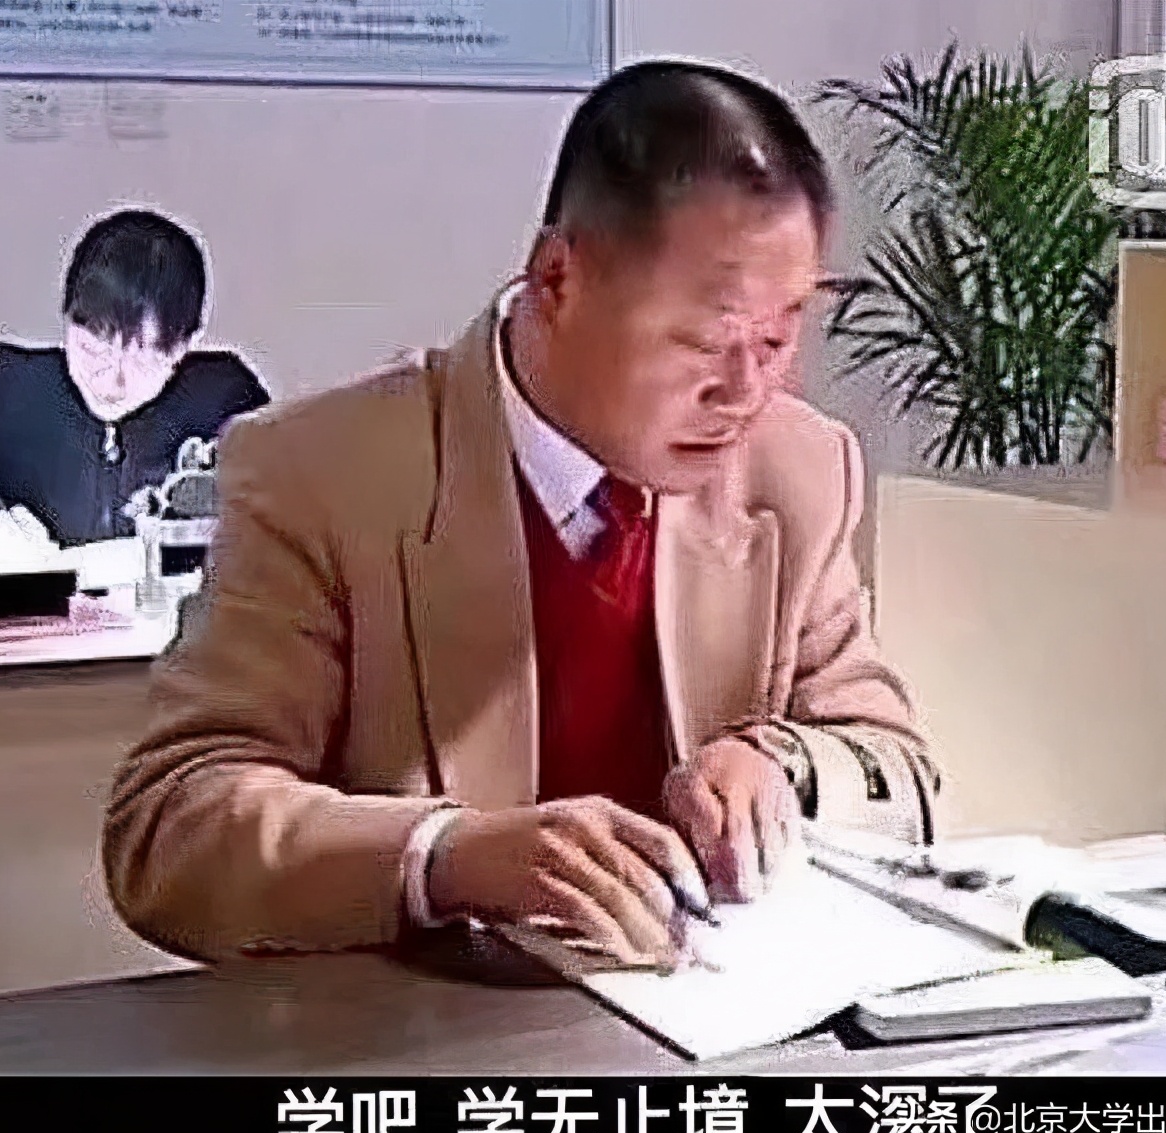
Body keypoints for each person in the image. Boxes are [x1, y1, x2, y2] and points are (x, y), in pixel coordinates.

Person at [104, 60, 942, 968]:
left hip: (705, 1017)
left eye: (778, 337)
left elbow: (898, 771)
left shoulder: (799, 469)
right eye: (708, 340)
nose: (747, 390)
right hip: (423, 1030)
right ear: (555, 279)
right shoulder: (322, 472)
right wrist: (444, 858)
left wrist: (781, 766)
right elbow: (169, 828)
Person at [0, 208, 270, 564]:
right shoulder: (2, 398)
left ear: (186, 344)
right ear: (67, 318)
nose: (113, 381)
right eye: (92, 349)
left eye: (143, 357)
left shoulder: (227, 404)